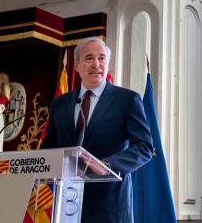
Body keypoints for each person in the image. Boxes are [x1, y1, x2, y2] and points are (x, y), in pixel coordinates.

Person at [42, 38, 153, 223]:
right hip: (67, 205)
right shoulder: (60, 104)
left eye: (102, 58)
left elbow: (144, 147)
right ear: (77, 65)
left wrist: (107, 166)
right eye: (89, 58)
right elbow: (49, 148)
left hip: (110, 207)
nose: (96, 64)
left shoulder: (126, 100)